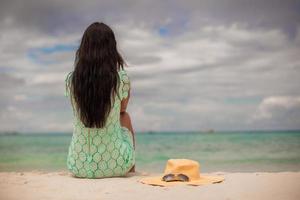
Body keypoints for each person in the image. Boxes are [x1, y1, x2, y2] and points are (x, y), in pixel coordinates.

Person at [64, 22, 135, 178]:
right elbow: (122, 109)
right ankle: (131, 168)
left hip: (77, 165)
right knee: (124, 116)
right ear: (111, 49)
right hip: (116, 165)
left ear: (83, 49)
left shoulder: (71, 80)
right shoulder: (121, 79)